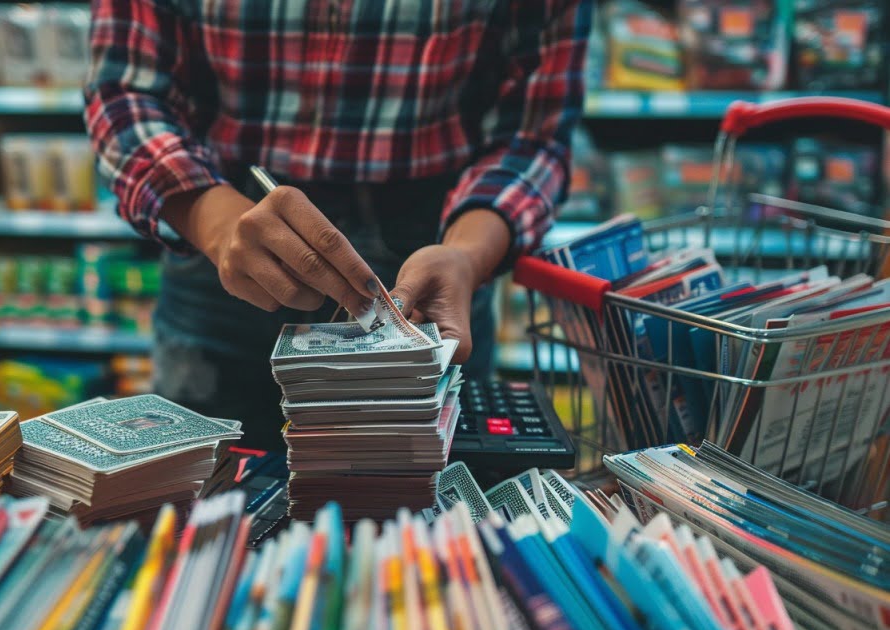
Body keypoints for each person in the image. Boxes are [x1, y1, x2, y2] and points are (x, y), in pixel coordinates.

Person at [85, 0, 591, 449]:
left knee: (424, 509)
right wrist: (214, 220)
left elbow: (534, 132)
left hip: (437, 239)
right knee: (202, 495)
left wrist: (467, 253)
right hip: (226, 228)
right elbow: (124, 90)